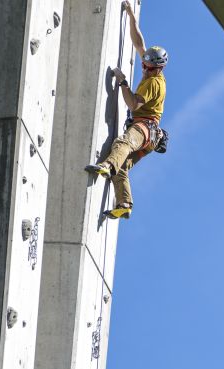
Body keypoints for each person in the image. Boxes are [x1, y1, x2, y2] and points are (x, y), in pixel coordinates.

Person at [86, 0, 168, 220]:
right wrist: (131, 16)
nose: (144, 67)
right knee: (122, 166)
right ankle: (124, 204)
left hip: (145, 128)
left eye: (148, 67)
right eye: (144, 64)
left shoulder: (153, 83)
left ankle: (107, 166)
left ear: (158, 68)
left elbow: (133, 104)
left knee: (121, 144)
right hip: (149, 135)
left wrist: (122, 82)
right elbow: (139, 43)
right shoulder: (150, 67)